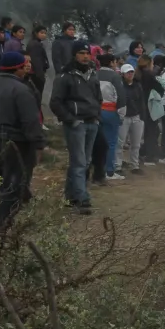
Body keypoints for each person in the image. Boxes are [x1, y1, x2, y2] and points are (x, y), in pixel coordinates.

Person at [0, 50, 46, 229]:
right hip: (16, 143)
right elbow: (30, 121)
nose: (26, 69)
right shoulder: (21, 90)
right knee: (13, 183)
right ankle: (1, 223)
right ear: (17, 68)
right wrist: (38, 143)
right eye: (23, 66)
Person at [49, 41, 101, 214]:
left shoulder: (93, 74)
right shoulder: (65, 76)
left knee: (85, 161)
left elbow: (98, 97)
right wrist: (71, 120)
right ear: (74, 55)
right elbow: (55, 102)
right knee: (79, 162)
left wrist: (97, 116)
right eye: (81, 53)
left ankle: (70, 197)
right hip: (76, 124)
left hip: (92, 122)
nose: (85, 56)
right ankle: (82, 199)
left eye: (87, 53)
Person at [96, 53, 127, 180]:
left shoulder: (94, 74)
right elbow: (121, 97)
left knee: (97, 142)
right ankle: (109, 171)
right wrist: (121, 115)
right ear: (111, 63)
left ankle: (98, 170)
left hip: (96, 111)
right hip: (110, 111)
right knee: (110, 143)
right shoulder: (115, 76)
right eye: (115, 62)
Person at [117, 64, 145, 175]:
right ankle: (117, 165)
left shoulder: (138, 85)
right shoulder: (119, 86)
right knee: (120, 143)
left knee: (136, 143)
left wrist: (142, 116)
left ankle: (134, 165)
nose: (130, 74)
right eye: (128, 72)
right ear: (123, 74)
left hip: (136, 116)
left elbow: (141, 101)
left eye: (132, 72)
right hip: (123, 117)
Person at [137, 54, 164, 166]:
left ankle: (142, 152)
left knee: (147, 130)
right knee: (152, 130)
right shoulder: (149, 74)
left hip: (140, 104)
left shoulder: (137, 74)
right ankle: (149, 156)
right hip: (150, 104)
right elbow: (160, 88)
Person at [27, 25, 50, 110]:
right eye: (41, 33)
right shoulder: (35, 45)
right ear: (36, 33)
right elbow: (36, 61)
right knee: (37, 95)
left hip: (36, 73)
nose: (44, 35)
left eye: (45, 33)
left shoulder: (35, 43)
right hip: (36, 74)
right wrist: (40, 75)